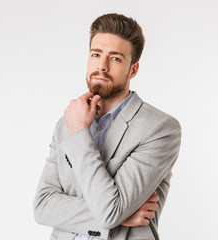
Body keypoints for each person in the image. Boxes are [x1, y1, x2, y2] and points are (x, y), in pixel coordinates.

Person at [33, 13, 181, 240]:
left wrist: (80, 132)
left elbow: (110, 210)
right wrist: (119, 216)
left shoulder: (160, 129)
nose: (101, 66)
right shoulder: (66, 123)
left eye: (115, 59)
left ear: (133, 70)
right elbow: (42, 206)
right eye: (96, 54)